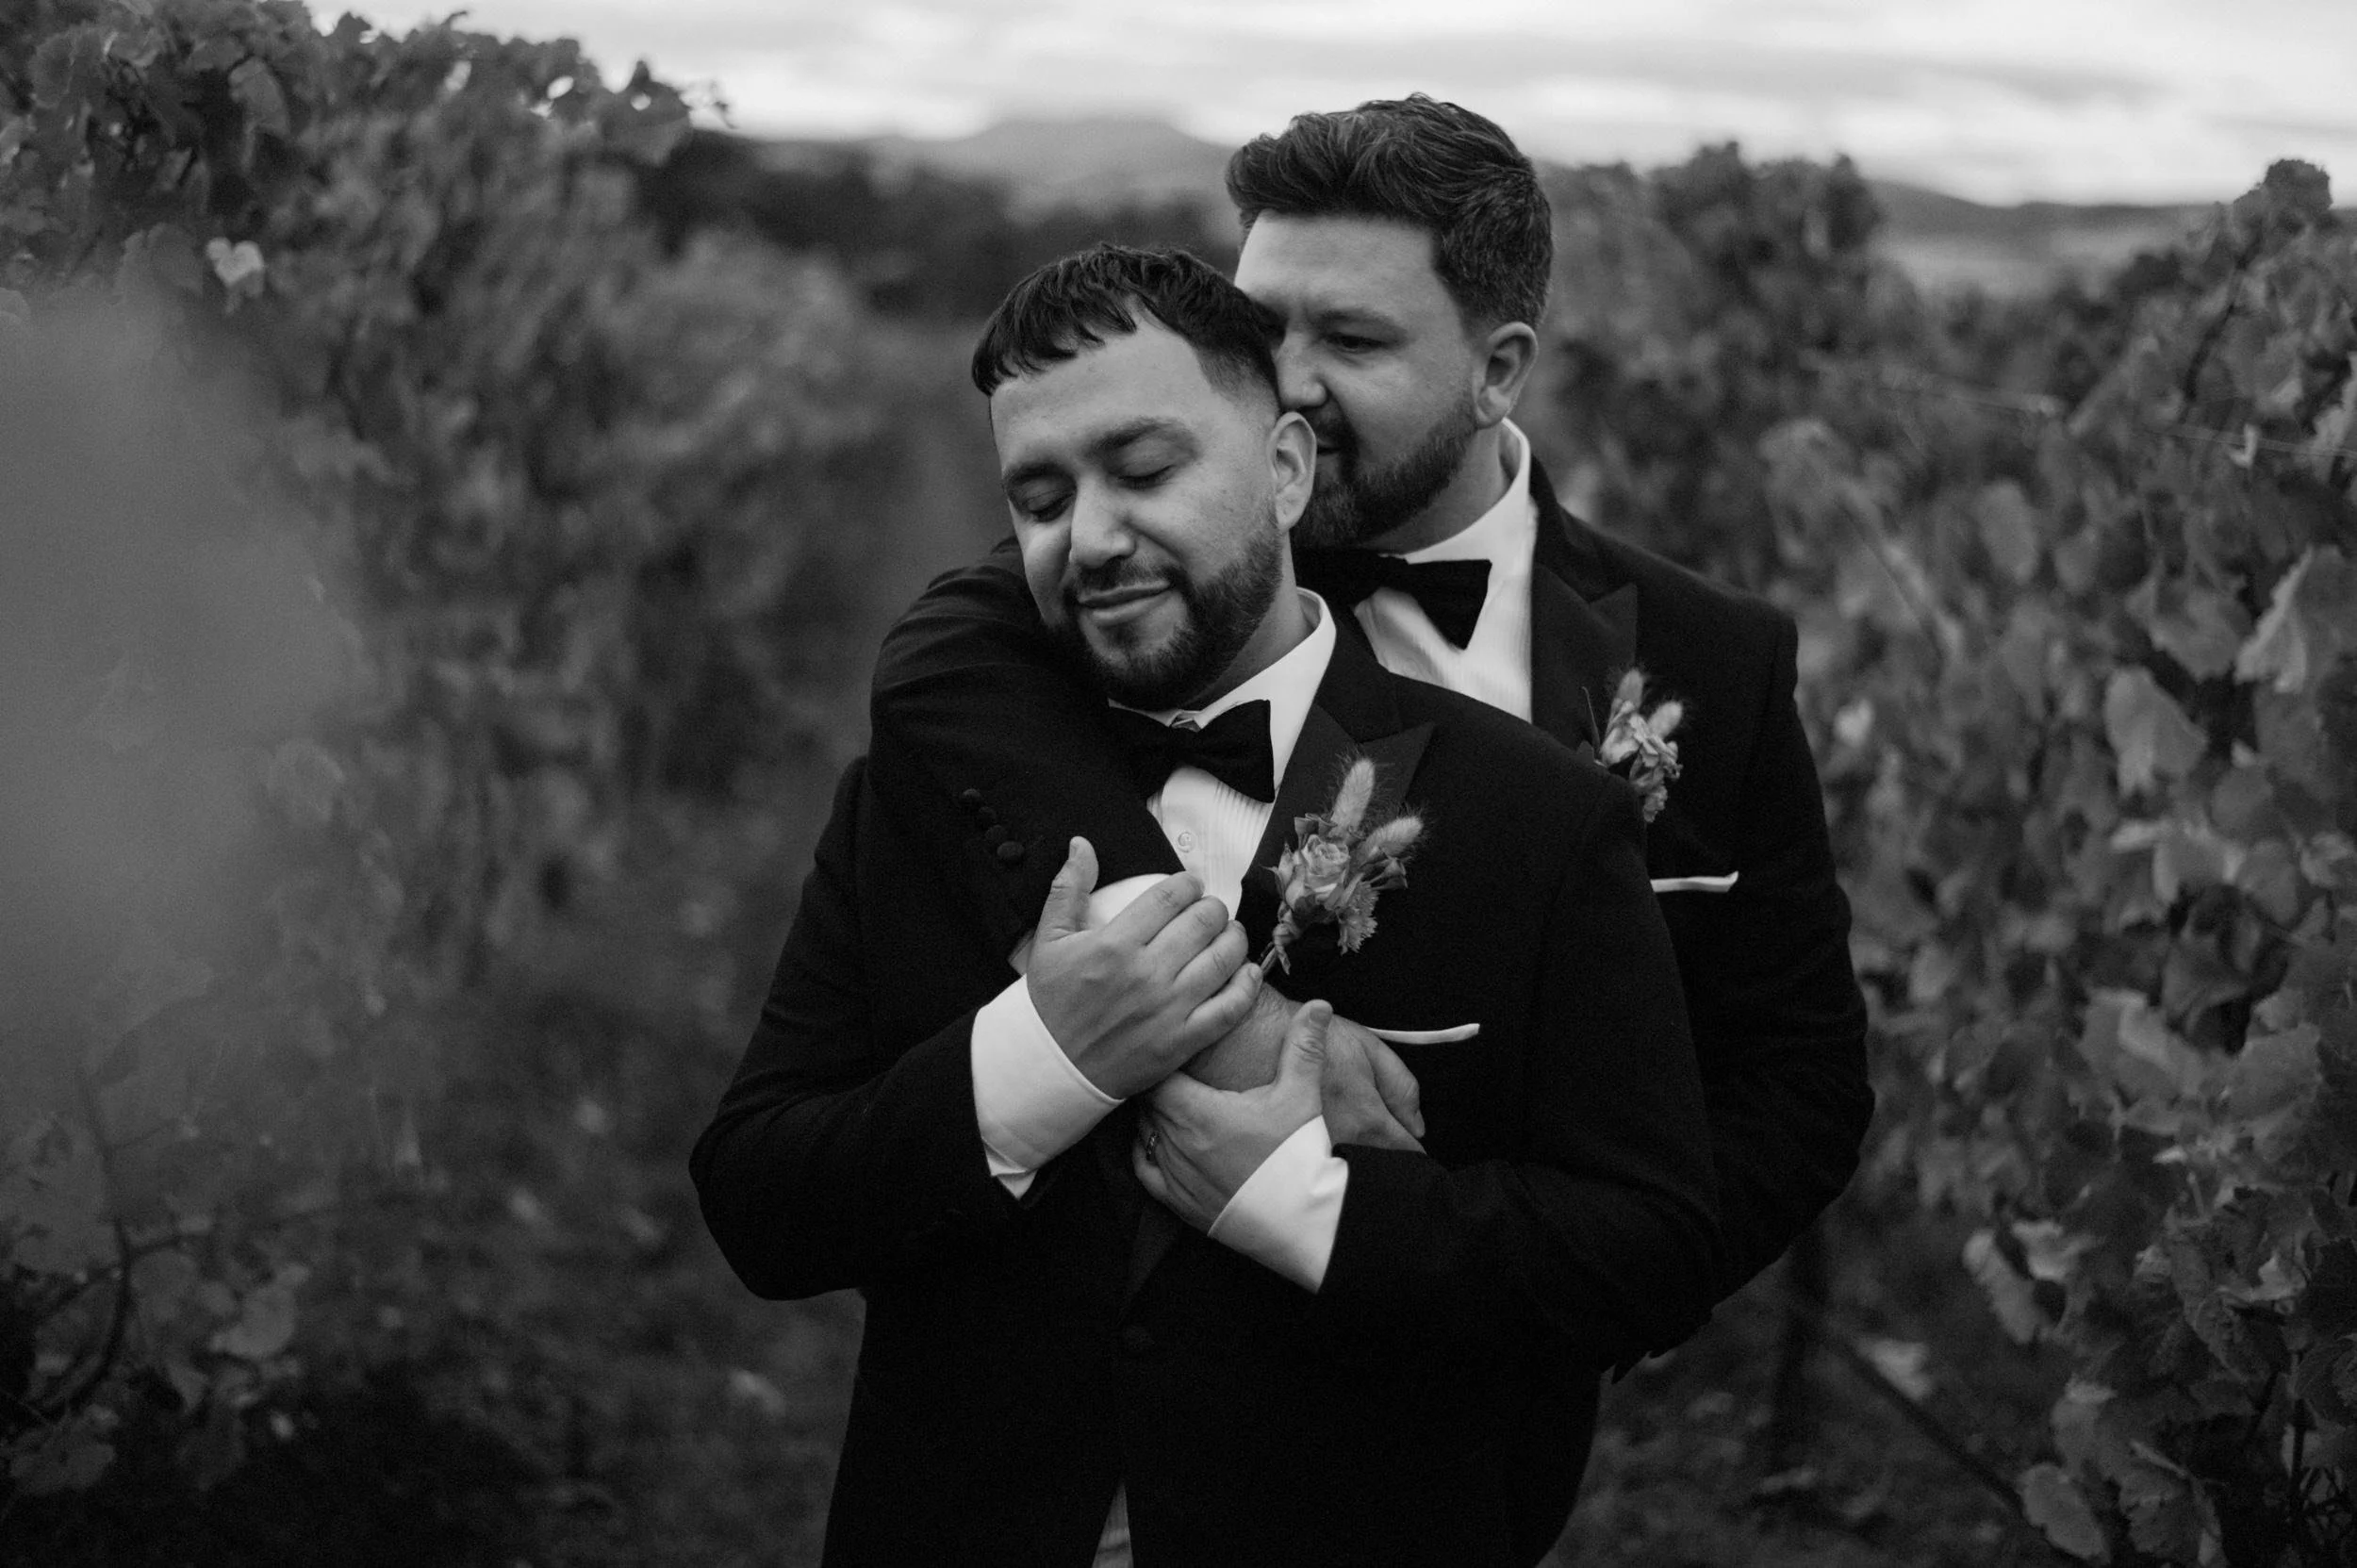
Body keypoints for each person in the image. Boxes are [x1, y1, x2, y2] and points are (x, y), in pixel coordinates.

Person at [866, 95, 1873, 1505]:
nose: (1284, 379)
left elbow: (1800, 1076)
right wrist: (1236, 1005)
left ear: (1499, 369)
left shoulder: (1712, 658)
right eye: (1265, 325)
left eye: (1351, 341)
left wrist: (1591, 1301)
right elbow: (933, 659)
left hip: (1470, 1460)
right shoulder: (1194, 571)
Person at [694, 247, 1718, 1566]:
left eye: (1146, 467)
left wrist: (1311, 1199)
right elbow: (760, 1200)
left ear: (1286, 469)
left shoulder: (1538, 823)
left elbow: (1652, 1251)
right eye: (1042, 495)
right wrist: (1039, 1059)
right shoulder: (918, 803)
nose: (1093, 535)